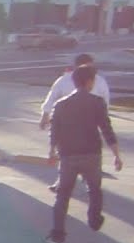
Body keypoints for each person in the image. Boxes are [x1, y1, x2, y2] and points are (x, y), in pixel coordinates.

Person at [45, 64, 123, 243]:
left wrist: (51, 151)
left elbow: (54, 131)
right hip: (91, 155)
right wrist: (117, 155)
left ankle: (58, 235)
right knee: (94, 190)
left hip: (68, 156)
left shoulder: (61, 104)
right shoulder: (97, 102)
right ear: (89, 82)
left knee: (63, 195)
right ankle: (94, 220)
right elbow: (107, 130)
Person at [41, 53, 111, 192]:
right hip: (68, 125)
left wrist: (103, 118)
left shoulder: (99, 81)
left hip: (89, 124)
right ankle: (62, 181)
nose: (90, 70)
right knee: (66, 154)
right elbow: (52, 96)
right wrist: (45, 114)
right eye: (87, 67)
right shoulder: (64, 80)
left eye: (91, 67)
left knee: (90, 153)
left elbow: (105, 100)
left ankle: (90, 182)